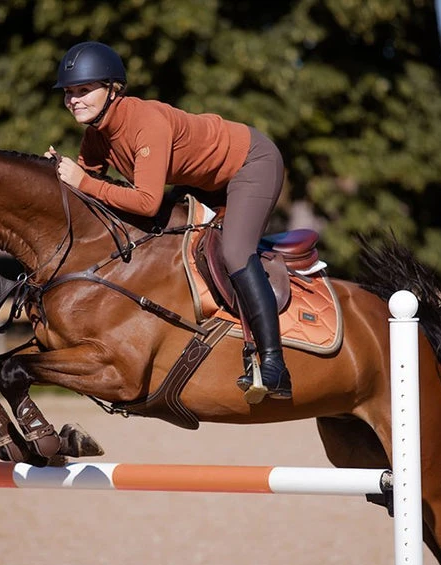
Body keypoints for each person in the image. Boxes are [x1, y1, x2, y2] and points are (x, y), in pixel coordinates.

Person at [51, 41, 291, 402]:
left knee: (235, 252)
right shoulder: (95, 136)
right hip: (204, 180)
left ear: (113, 90)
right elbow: (86, 192)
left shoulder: (145, 123)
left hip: (250, 163)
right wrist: (54, 173)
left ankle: (274, 365)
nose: (73, 100)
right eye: (69, 93)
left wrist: (82, 181)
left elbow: (146, 203)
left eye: (83, 90)